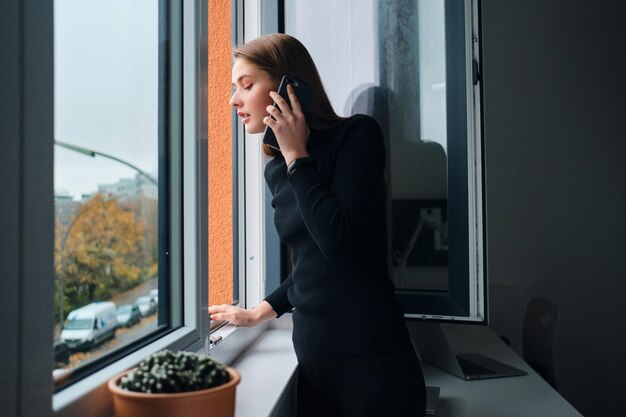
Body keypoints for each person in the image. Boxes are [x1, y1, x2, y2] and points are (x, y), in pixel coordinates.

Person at [209, 33, 426, 417]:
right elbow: (312, 263)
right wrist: (259, 312)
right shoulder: (279, 169)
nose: (234, 100)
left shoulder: (356, 136)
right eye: (233, 88)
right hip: (311, 360)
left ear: (287, 88)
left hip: (371, 363)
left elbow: (336, 241)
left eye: (246, 85)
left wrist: (296, 155)